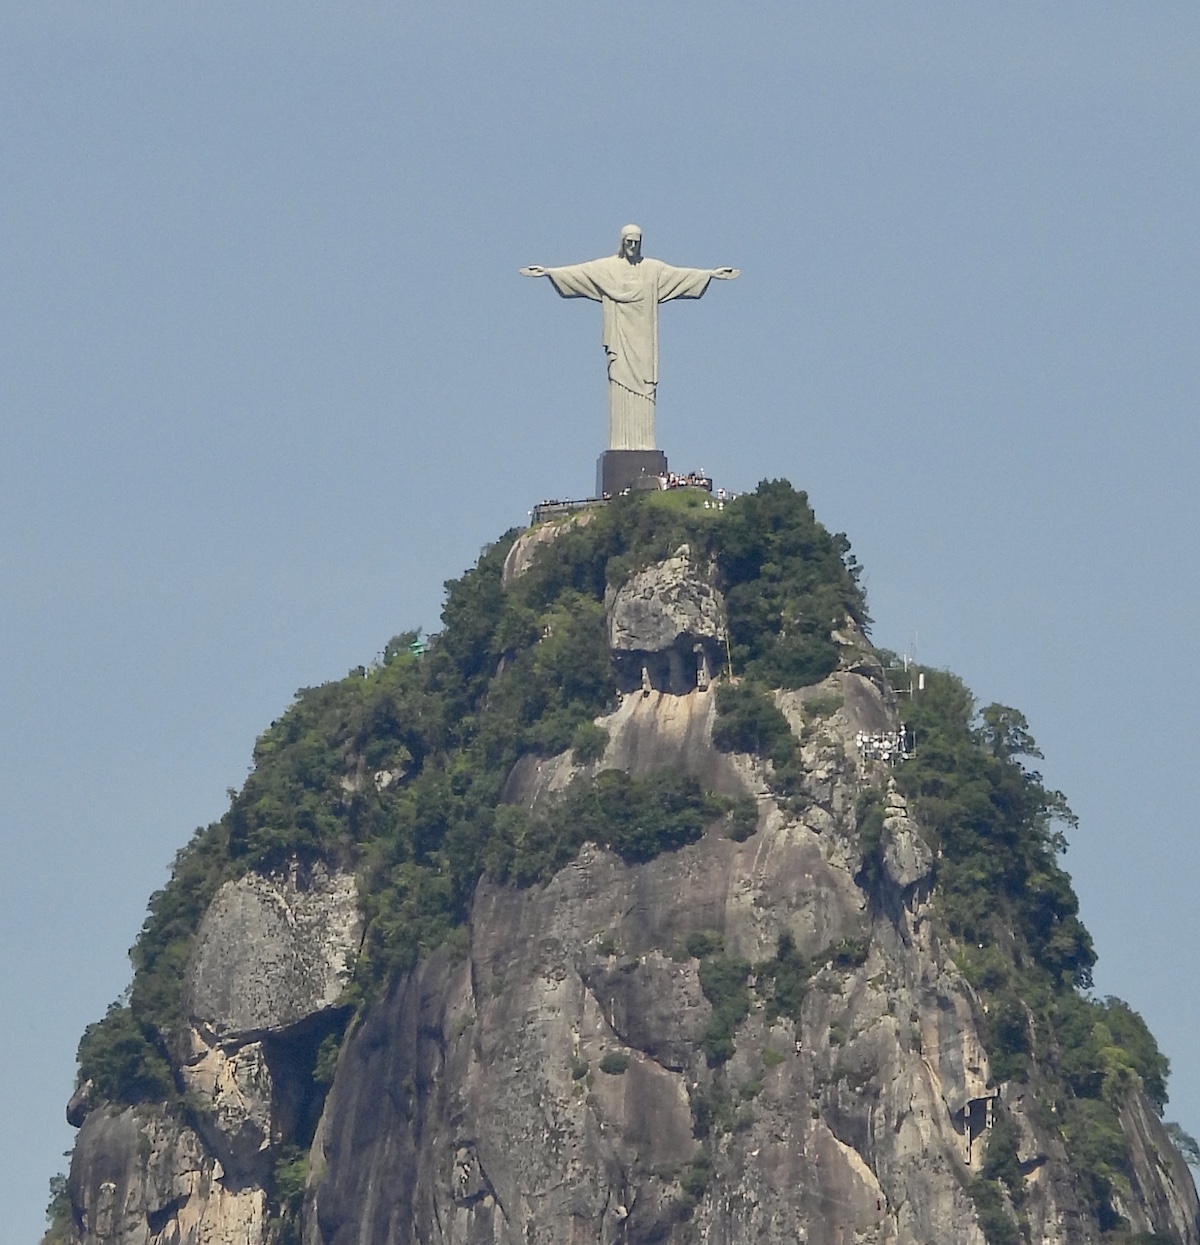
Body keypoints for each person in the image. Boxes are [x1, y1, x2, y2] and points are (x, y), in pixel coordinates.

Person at [521, 226, 738, 450]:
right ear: (622, 243)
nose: (632, 247)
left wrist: (710, 274)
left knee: (645, 387)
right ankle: (621, 443)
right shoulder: (607, 268)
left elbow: (680, 276)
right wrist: (549, 272)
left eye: (636, 242)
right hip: (619, 339)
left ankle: (645, 444)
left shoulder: (653, 270)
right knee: (619, 382)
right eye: (629, 242)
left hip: (644, 342)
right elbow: (580, 273)